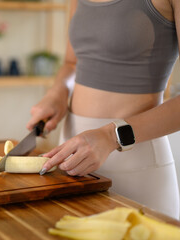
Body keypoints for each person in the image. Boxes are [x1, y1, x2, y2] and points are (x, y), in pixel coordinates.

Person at [27, 0, 180, 219]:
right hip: (71, 157)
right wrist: (58, 92)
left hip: (136, 164)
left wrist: (111, 136)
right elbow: (73, 63)